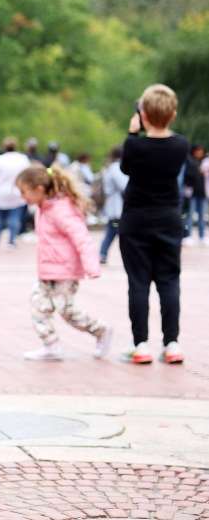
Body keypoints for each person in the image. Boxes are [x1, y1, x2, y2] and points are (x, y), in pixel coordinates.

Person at [118, 84, 188, 365]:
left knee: (138, 283)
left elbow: (126, 168)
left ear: (143, 113)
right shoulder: (181, 145)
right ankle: (172, 343)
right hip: (169, 218)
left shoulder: (134, 144)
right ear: (172, 114)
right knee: (169, 281)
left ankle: (141, 345)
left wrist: (133, 132)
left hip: (136, 219)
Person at [15, 165, 112, 361]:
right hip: (47, 271)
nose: (22, 198)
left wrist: (91, 265)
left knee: (67, 312)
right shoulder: (42, 209)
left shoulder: (61, 209)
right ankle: (51, 345)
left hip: (65, 271)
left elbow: (81, 237)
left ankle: (100, 330)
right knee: (37, 305)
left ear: (39, 189)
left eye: (24, 192)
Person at [0, 137, 31, 248]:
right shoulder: (22, 159)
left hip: (1, 193)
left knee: (0, 217)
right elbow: (29, 175)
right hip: (17, 192)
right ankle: (11, 241)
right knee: (15, 217)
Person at [98, 147, 129, 265]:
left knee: (111, 232)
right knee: (122, 233)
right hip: (117, 208)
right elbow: (124, 185)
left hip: (115, 208)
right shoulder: (116, 168)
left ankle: (102, 254)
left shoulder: (112, 167)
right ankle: (104, 254)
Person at [183, 144, 206, 245]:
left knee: (202, 216)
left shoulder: (205, 161)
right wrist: (197, 171)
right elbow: (187, 176)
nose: (199, 153)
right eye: (198, 151)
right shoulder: (189, 161)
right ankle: (188, 236)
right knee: (189, 215)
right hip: (191, 193)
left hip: (203, 193)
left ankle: (202, 237)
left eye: (201, 151)